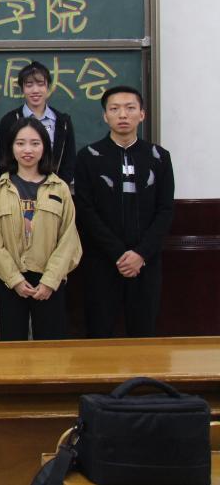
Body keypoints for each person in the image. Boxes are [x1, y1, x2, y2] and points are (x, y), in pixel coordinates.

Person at [74, 86, 174, 338]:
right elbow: (85, 210)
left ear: (142, 114)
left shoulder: (159, 157)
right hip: (102, 261)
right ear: (105, 115)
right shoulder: (88, 156)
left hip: (145, 262)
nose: (122, 115)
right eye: (115, 109)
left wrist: (140, 254)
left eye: (130, 108)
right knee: (99, 333)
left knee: (143, 333)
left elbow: (165, 210)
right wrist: (119, 253)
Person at [0, 118, 81, 341]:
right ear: (11, 147)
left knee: (51, 349)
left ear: (45, 147)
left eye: (35, 143)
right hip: (10, 281)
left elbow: (69, 240)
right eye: (20, 143)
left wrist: (50, 281)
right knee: (11, 348)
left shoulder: (60, 188)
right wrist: (14, 279)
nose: (27, 150)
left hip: (50, 281)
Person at [0, 61, 76, 183]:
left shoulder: (63, 122)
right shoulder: (10, 121)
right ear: (22, 89)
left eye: (40, 84)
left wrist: (58, 187)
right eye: (29, 85)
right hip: (18, 190)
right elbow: (2, 162)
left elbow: (69, 162)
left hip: (54, 189)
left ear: (48, 87)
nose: (35, 90)